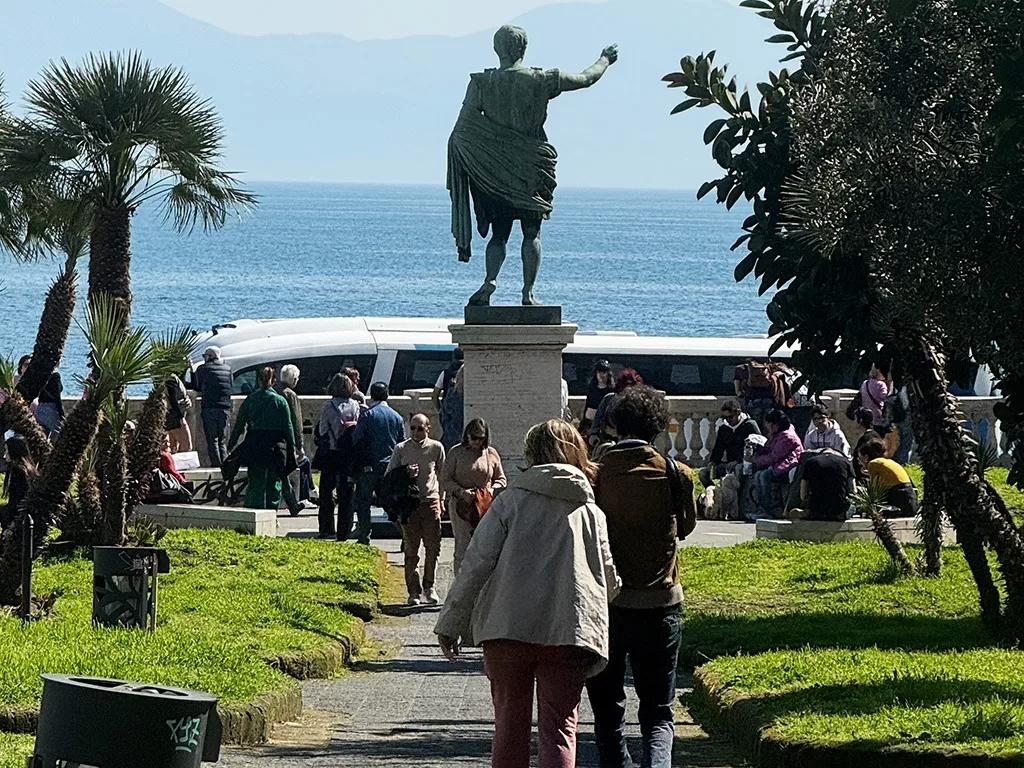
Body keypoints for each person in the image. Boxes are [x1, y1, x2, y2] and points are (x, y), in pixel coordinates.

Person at [435, 419, 619, 768]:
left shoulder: (509, 502)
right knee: (560, 728)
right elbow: (608, 580)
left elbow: (476, 564)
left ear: (530, 455)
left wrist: (451, 622)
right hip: (567, 630)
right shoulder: (590, 512)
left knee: (509, 724)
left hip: (506, 628)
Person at [449, 24, 618, 306]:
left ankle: (490, 279)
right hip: (531, 168)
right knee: (532, 232)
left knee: (499, 235)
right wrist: (605, 59)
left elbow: (463, 128)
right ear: (523, 48)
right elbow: (586, 78)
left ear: (496, 49)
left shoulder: (481, 83)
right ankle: (527, 293)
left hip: (496, 171)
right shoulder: (541, 80)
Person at [586, 385, 697, 768]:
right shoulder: (675, 473)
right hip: (660, 602)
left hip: (608, 605)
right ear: (657, 426)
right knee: (659, 711)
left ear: (614, 425)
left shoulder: (596, 475)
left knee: (607, 708)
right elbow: (685, 528)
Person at [387, 413, 445, 605]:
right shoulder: (401, 448)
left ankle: (429, 586)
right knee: (411, 550)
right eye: (412, 428)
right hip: (409, 505)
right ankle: (413, 591)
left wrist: (442, 499)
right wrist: (406, 472)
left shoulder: (436, 448)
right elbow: (389, 477)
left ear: (428, 428)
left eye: (420, 428)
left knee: (433, 547)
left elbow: (442, 475)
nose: (416, 432)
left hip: (430, 502)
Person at [441, 418, 507, 575]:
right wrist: (461, 492)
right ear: (467, 436)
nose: (477, 442)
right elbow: (445, 479)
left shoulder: (491, 453)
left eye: (481, 438)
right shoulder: (456, 452)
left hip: (484, 505)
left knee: (486, 546)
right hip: (462, 505)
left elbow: (501, 479)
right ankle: (460, 581)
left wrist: (491, 490)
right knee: (463, 546)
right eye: (474, 438)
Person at [227, 366, 296, 510]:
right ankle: (271, 512)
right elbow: (288, 427)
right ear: (274, 381)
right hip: (275, 446)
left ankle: (254, 511)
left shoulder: (250, 400)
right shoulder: (280, 401)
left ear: (258, 380)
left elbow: (239, 425)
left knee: (255, 481)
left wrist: (231, 445)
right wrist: (293, 447)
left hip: (255, 443)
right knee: (274, 482)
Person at [351, 381, 406, 545]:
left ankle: (364, 536)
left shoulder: (368, 415)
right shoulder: (397, 417)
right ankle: (405, 534)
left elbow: (356, 438)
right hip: (389, 466)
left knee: (363, 502)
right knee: (390, 504)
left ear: (372, 396)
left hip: (369, 466)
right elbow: (402, 443)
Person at [316, 372, 362, 539]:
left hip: (331, 453)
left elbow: (322, 430)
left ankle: (327, 529)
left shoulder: (328, 406)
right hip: (348, 454)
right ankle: (344, 531)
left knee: (326, 492)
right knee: (347, 493)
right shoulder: (355, 405)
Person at [751, 409, 803, 520]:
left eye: (768, 423)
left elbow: (774, 456)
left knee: (764, 475)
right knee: (758, 475)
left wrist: (756, 460)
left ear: (775, 424)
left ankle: (766, 509)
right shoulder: (777, 434)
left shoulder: (787, 436)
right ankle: (760, 508)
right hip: (780, 464)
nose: (766, 426)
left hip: (789, 466)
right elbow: (769, 448)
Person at [699, 399, 760, 488]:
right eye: (725, 417)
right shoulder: (724, 429)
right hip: (728, 464)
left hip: (745, 464)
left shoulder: (750, 425)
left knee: (738, 469)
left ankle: (736, 494)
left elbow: (758, 447)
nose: (728, 420)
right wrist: (712, 462)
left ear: (738, 413)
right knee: (703, 473)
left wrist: (738, 461)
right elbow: (718, 448)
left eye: (730, 417)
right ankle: (716, 491)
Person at [275, 364, 310, 517]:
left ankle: (293, 503)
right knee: (284, 472)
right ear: (294, 379)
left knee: (281, 473)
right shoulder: (290, 395)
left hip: (272, 437)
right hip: (285, 439)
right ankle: (293, 503)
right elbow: (296, 421)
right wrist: (299, 444)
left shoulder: (274, 391)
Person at [857, 439, 919, 517]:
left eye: (860, 459)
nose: (859, 462)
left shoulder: (872, 464)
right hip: (909, 499)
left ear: (866, 457)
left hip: (900, 499)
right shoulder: (886, 461)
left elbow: (874, 491)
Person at [194, 346, 233, 467]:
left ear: (209, 356)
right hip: (225, 407)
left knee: (212, 439)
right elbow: (231, 385)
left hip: (210, 407)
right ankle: (225, 465)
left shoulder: (203, 369)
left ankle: (216, 465)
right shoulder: (228, 369)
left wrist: (191, 372)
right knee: (222, 440)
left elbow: (197, 387)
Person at [588, 368, 644, 452]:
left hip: (632, 443)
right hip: (609, 442)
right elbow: (597, 419)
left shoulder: (639, 403)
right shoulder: (608, 399)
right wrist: (593, 434)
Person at [797, 447, 856, 521]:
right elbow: (853, 491)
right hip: (839, 512)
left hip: (816, 511)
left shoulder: (810, 462)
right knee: (852, 507)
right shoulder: (846, 462)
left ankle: (805, 512)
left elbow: (803, 495)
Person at [1, 435, 37, 528]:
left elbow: (17, 499)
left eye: (7, 451)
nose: (5, 454)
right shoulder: (28, 469)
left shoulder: (18, 472)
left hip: (17, 518)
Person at [733, 359, 780, 427]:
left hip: (752, 402)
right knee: (769, 424)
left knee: (753, 424)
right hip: (768, 402)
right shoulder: (770, 367)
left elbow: (738, 392)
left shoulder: (741, 368)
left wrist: (742, 393)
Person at [435, 350, 465, 452]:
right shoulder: (469, 370)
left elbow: (434, 395)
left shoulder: (445, 373)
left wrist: (440, 410)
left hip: (449, 417)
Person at [580, 360, 614, 435]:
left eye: (603, 372)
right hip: (589, 423)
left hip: (604, 425)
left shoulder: (611, 390)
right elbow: (587, 404)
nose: (600, 375)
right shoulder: (591, 388)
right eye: (598, 372)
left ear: (608, 374)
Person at [164, 371, 193, 454]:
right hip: (175, 417)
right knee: (186, 446)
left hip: (170, 416)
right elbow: (173, 400)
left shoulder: (166, 377)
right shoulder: (171, 378)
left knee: (172, 448)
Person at [859, 361, 890, 430]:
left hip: (866, 416)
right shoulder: (881, 385)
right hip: (878, 416)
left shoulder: (865, 383)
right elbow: (886, 399)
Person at [35, 372, 64, 437]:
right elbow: (57, 396)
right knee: (58, 435)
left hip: (40, 409)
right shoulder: (55, 376)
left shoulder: (40, 375)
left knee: (42, 436)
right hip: (51, 409)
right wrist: (61, 413)